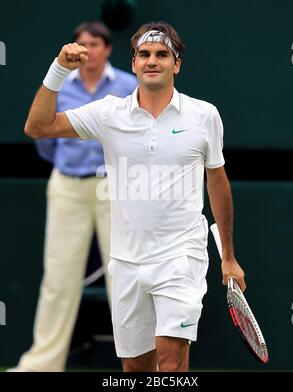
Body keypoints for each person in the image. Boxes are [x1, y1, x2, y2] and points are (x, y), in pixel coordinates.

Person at [24, 21, 246, 372]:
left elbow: (217, 183)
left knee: (171, 362)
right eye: (144, 54)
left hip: (181, 257)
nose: (152, 60)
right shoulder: (108, 112)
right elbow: (37, 127)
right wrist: (59, 70)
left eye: (162, 54)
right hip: (126, 261)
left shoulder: (205, 116)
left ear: (177, 64)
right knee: (135, 370)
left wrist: (229, 256)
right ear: (134, 63)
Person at [12, 21, 137, 372]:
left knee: (124, 275)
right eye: (81, 43)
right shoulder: (60, 85)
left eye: (94, 44)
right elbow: (44, 137)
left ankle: (141, 364)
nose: (87, 50)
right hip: (67, 186)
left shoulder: (128, 86)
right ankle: (41, 363)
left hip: (113, 187)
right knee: (58, 277)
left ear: (107, 49)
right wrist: (68, 165)